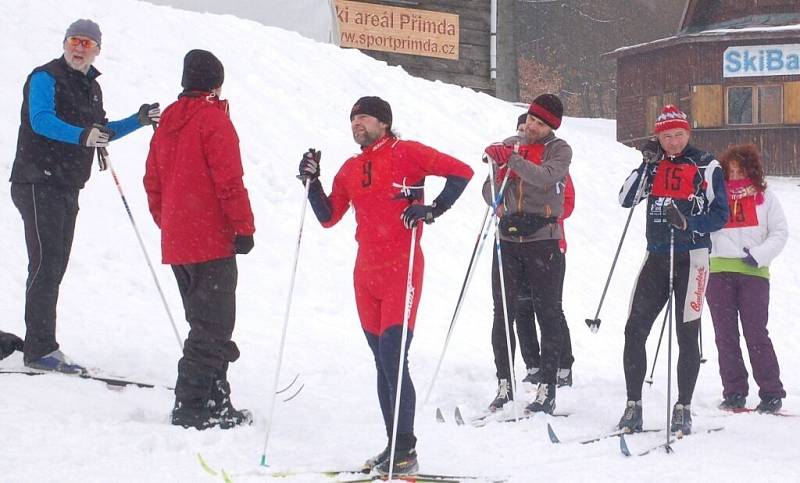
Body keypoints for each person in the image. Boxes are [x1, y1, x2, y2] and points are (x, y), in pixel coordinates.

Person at [299, 96, 473, 476]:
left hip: (402, 269)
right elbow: (329, 217)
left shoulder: (407, 152)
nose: (355, 124)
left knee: (394, 357)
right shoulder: (350, 167)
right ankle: (393, 446)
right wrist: (312, 182)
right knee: (382, 362)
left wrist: (433, 208)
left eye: (362, 117)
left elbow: (462, 172)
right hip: (366, 274)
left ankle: (406, 449)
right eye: (352, 119)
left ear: (383, 121)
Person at [10, 19, 160, 374]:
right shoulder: (45, 77)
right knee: (46, 263)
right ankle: (40, 349)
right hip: (36, 180)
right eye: (75, 41)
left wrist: (137, 121)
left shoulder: (91, 88)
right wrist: (82, 137)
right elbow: (41, 120)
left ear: (97, 50)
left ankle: (42, 344)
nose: (80, 48)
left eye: (88, 44)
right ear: (64, 43)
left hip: (66, 184)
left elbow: (100, 133)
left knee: (55, 264)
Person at [143, 49, 255, 430]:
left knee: (205, 323)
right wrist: (244, 228)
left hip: (179, 242)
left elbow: (152, 183)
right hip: (212, 239)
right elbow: (229, 181)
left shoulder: (167, 123)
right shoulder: (213, 121)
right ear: (216, 83)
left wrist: (170, 223)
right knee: (214, 327)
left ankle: (216, 401)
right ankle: (191, 405)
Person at [617, 105, 728, 435]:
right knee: (634, 329)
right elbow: (625, 198)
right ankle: (633, 405)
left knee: (686, 335)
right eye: (667, 136)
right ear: (658, 137)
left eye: (679, 135)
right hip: (656, 257)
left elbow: (721, 214)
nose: (673, 142)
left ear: (688, 133)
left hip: (692, 260)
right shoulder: (654, 163)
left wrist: (690, 223)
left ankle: (683, 407)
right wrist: (644, 163)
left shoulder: (707, 165)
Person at [482, 94, 571, 415]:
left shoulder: (559, 150)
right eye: (530, 119)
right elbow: (488, 187)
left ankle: (547, 386)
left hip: (543, 239)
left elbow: (546, 177)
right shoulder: (511, 143)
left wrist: (512, 160)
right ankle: (504, 384)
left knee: (547, 312)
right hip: (508, 238)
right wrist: (496, 178)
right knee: (502, 311)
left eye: (540, 123)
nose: (532, 126)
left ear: (551, 127)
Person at [706, 144, 787, 414]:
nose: (736, 175)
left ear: (751, 171)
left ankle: (771, 392)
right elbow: (705, 226)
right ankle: (734, 391)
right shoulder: (715, 196)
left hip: (754, 272)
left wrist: (759, 255)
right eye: (731, 171)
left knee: (756, 333)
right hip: (719, 272)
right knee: (725, 336)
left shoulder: (766, 197)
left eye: (740, 170)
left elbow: (779, 232)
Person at [510, 113, 577, 389]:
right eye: (521, 130)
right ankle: (532, 363)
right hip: (516, 243)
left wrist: (543, 217)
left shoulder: (553, 161)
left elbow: (567, 202)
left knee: (549, 308)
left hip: (548, 242)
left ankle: (563, 364)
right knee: (521, 306)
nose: (527, 133)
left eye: (531, 128)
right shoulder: (513, 163)